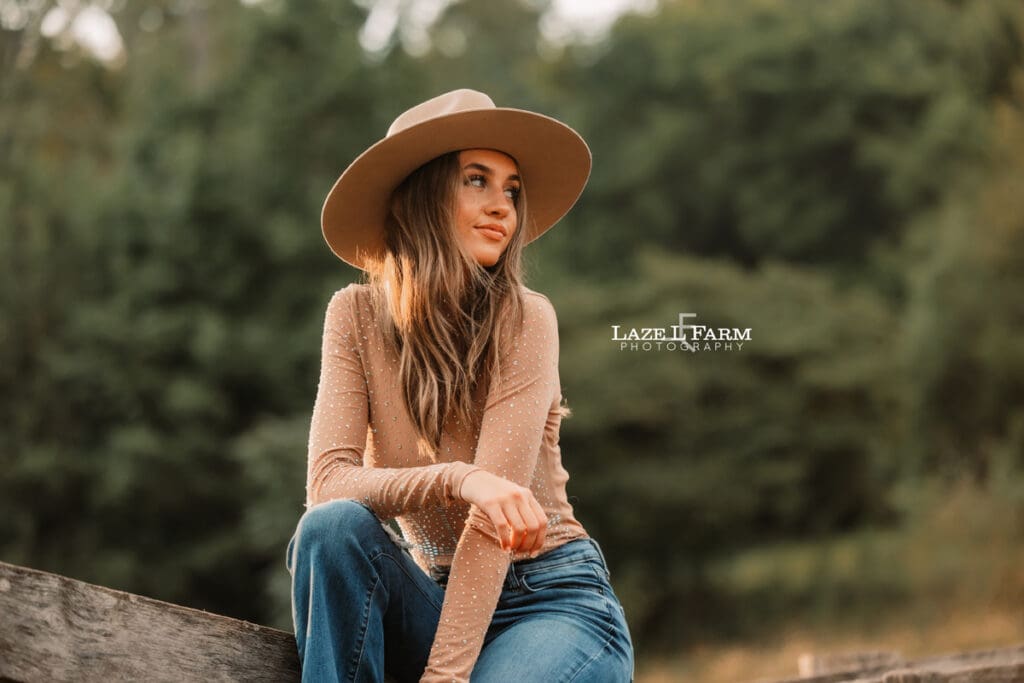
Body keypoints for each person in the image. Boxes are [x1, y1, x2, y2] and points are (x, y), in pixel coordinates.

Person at [286, 89, 635, 683]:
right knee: (331, 530)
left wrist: (444, 678)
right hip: (435, 598)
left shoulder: (526, 319)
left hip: (549, 601)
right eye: (477, 180)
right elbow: (327, 486)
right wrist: (461, 478)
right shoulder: (353, 316)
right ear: (420, 198)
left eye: (512, 190)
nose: (503, 205)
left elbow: (490, 530)